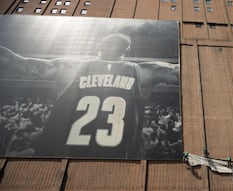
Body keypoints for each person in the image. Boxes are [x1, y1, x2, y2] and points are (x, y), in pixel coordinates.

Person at [0, 33, 180, 159]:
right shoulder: (145, 71)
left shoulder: (68, 67)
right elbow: (182, 71)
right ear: (127, 51)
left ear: (99, 47)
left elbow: (15, 61)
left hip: (56, 157)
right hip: (116, 160)